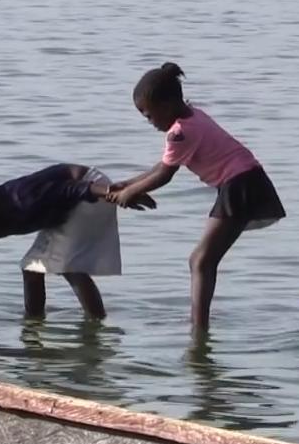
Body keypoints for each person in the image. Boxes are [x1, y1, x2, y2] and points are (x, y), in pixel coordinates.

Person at [107, 63, 286, 334]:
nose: (150, 122)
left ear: (167, 105)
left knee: (201, 261)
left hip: (240, 185)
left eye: (149, 115)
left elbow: (165, 175)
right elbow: (164, 164)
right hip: (245, 180)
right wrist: (129, 183)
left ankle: (199, 328)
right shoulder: (193, 116)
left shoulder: (180, 133)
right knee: (201, 260)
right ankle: (199, 323)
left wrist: (130, 194)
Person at [0, 164, 155, 318]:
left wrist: (112, 193)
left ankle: (96, 322)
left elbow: (69, 189)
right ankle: (34, 322)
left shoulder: (21, 198)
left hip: (89, 189)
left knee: (69, 266)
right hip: (72, 203)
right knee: (32, 268)